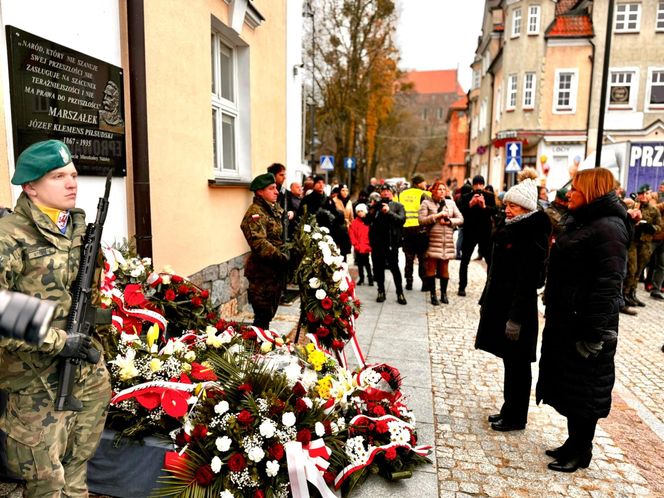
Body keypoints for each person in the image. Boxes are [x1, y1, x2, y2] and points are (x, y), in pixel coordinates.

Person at [0, 139, 111, 497]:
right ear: (30, 187)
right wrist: (60, 342)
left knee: (78, 464)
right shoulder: (10, 237)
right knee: (46, 480)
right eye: (58, 176)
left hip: (83, 371)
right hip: (34, 380)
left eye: (73, 174)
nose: (71, 183)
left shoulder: (76, 229)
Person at [536, 168, 631, 473]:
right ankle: (572, 443)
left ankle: (582, 451)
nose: (569, 194)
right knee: (571, 386)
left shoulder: (610, 228)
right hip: (568, 320)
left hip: (587, 325)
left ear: (590, 191)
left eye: (575, 189)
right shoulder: (584, 221)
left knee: (585, 391)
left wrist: (594, 333)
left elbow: (608, 285)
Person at [474, 176, 551, 432]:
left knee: (518, 366)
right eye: (507, 204)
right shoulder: (512, 226)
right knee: (510, 362)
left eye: (514, 206)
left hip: (519, 310)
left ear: (527, 208)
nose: (507, 209)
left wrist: (515, 318)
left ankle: (517, 417)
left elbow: (529, 280)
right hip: (505, 306)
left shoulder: (531, 233)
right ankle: (509, 410)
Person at [240, 173, 290, 329]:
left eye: (276, 188)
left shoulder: (272, 209)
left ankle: (263, 345)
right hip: (262, 273)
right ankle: (256, 346)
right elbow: (259, 242)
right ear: (260, 191)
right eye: (271, 188)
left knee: (268, 315)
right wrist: (282, 256)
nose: (276, 192)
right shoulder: (255, 213)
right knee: (262, 317)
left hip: (273, 271)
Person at [418, 181, 463, 305]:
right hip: (433, 238)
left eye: (444, 189)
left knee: (444, 267)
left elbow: (460, 219)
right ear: (433, 191)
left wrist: (449, 222)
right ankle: (433, 294)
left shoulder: (451, 203)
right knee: (431, 266)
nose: (442, 191)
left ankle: (444, 293)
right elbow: (421, 220)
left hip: (446, 240)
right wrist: (436, 216)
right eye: (439, 189)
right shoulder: (426, 203)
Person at [367, 185, 407, 305]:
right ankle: (381, 291)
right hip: (377, 243)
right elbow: (367, 221)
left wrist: (389, 212)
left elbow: (402, 220)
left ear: (392, 194)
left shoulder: (398, 206)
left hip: (391, 243)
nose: (385, 193)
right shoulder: (376, 206)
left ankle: (400, 292)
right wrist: (372, 211)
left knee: (394, 268)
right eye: (383, 191)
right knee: (378, 269)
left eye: (388, 191)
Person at [457, 175, 497, 296]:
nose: (479, 187)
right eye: (476, 184)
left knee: (489, 260)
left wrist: (484, 206)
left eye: (481, 184)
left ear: (484, 185)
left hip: (485, 233)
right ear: (473, 185)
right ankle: (462, 286)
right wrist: (471, 204)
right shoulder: (466, 197)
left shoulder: (489, 196)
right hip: (470, 232)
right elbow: (460, 211)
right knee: (465, 260)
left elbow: (494, 210)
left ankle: (489, 287)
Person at [623, 184, 661, 307]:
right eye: (641, 194)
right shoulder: (632, 205)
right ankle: (625, 293)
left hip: (645, 243)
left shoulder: (654, 210)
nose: (644, 196)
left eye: (646, 194)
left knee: (639, 269)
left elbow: (659, 226)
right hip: (633, 242)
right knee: (631, 269)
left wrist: (651, 228)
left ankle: (632, 294)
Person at [398, 174, 429, 291]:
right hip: (420, 229)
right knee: (422, 257)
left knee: (409, 258)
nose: (425, 184)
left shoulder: (402, 194)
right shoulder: (423, 194)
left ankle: (409, 282)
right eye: (423, 182)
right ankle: (424, 282)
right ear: (418, 184)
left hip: (406, 230)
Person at [349, 203, 373, 286]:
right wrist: (355, 244)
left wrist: (370, 245)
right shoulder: (354, 223)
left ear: (365, 211)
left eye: (361, 211)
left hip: (366, 246)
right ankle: (362, 278)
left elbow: (371, 234)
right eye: (358, 211)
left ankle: (370, 278)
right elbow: (352, 234)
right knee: (360, 264)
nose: (360, 213)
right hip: (358, 246)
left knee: (367, 263)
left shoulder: (368, 222)